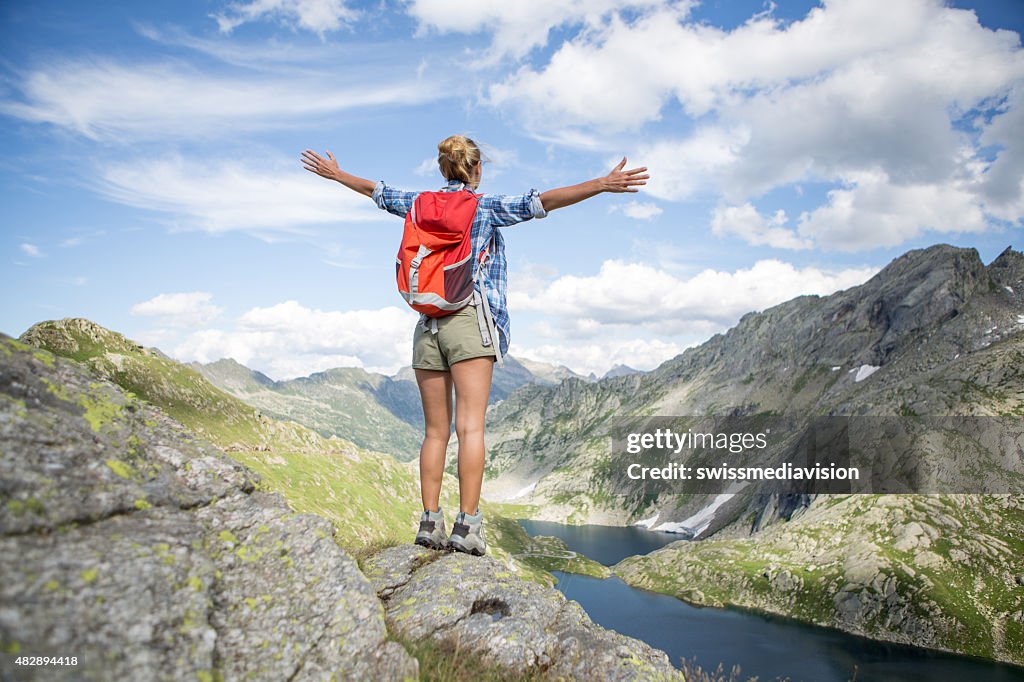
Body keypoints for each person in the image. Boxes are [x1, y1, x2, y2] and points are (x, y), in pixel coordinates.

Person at [302, 135, 648, 555]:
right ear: (476, 169)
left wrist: (337, 175)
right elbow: (543, 202)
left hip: (427, 324)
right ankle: (467, 527)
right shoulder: (483, 206)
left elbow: (378, 191)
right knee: (470, 429)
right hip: (470, 321)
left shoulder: (417, 203)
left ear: (442, 169)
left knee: (435, 432)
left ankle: (429, 523)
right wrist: (602, 183)